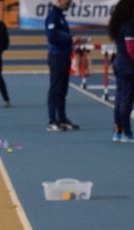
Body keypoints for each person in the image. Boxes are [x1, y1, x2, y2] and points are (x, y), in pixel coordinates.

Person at [107, 0, 134, 143]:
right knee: (126, 100)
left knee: (120, 98)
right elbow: (130, 48)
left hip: (119, 63)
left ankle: (118, 131)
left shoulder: (118, 25)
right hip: (128, 65)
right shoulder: (128, 25)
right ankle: (126, 131)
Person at [44, 0, 78, 132]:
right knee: (55, 89)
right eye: (67, 1)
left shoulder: (60, 16)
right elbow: (51, 36)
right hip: (57, 56)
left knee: (63, 90)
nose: (69, 3)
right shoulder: (53, 16)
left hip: (64, 56)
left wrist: (71, 39)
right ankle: (52, 120)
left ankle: (62, 119)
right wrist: (69, 39)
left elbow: (62, 35)